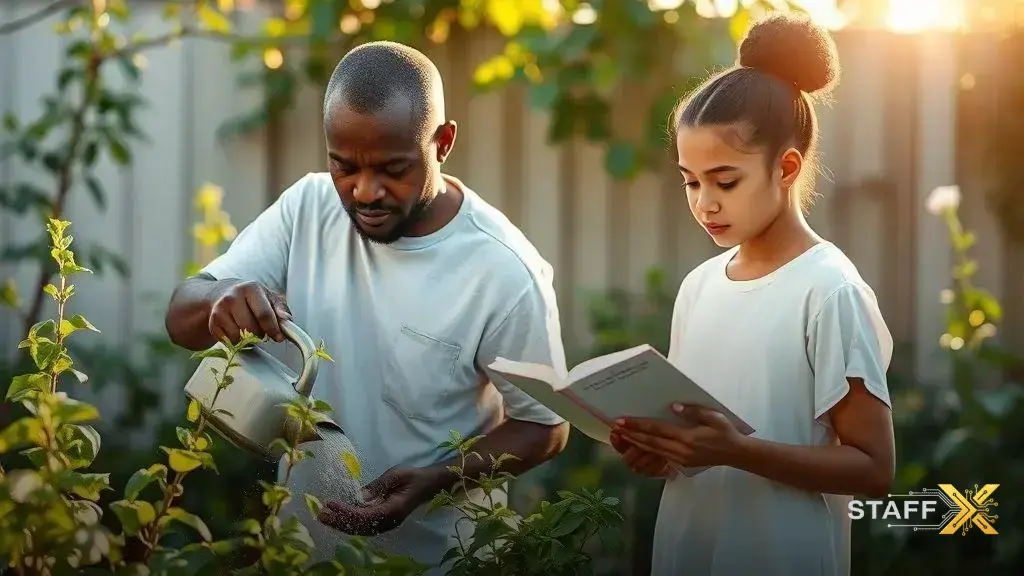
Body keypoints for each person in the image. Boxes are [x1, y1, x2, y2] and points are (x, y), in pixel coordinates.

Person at [163, 41, 570, 572]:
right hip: (302, 553)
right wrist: (220, 298)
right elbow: (181, 317)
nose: (364, 191)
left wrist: (438, 480)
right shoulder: (308, 207)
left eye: (392, 169)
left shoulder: (504, 272)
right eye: (344, 166)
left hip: (443, 561)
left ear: (443, 142)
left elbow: (545, 427)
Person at [608, 13, 896, 576]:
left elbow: (873, 469)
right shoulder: (698, 288)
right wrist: (662, 452)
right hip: (690, 548)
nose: (704, 203)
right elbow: (699, 443)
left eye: (725, 180)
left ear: (785, 167)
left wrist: (736, 452)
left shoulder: (829, 290)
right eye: (691, 181)